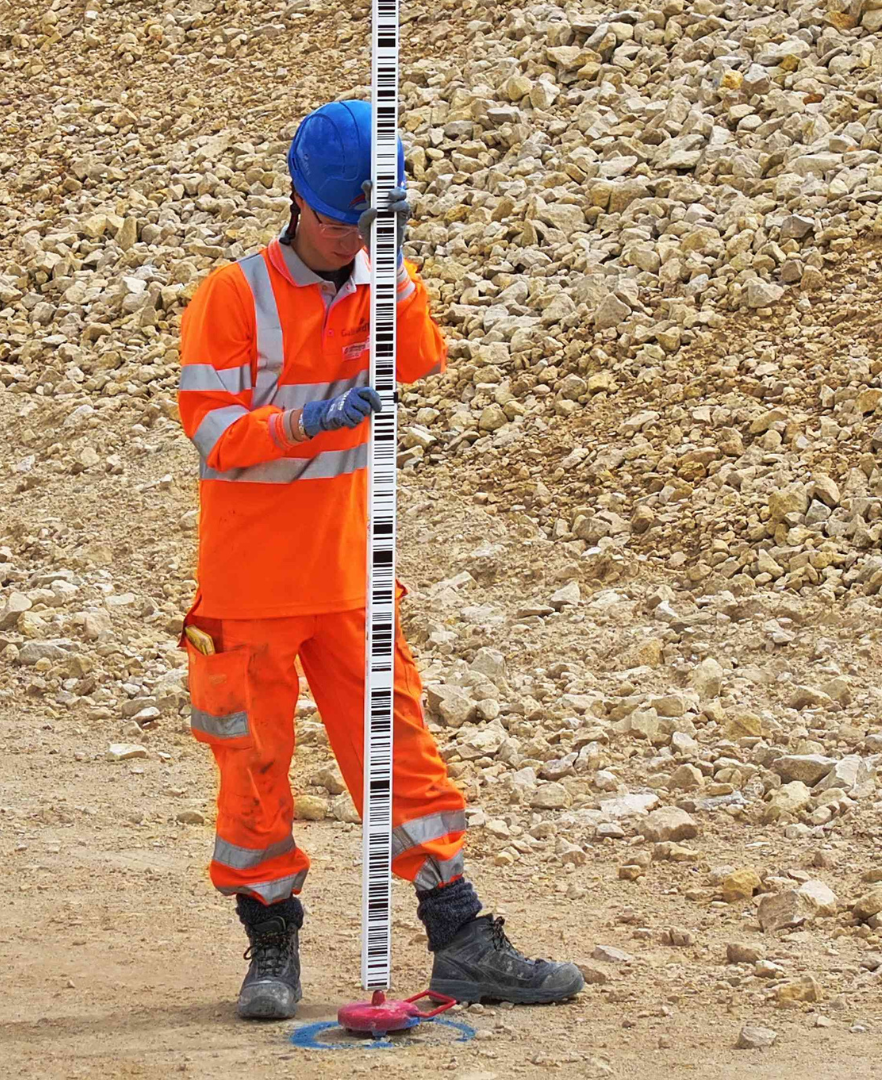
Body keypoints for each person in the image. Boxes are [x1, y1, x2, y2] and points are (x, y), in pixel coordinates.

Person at [176, 98, 583, 1021]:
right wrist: (303, 419)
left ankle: (463, 938)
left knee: (403, 756)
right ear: (294, 200)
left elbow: (424, 358)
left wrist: (395, 265)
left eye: (369, 223)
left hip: (353, 576)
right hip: (251, 591)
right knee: (254, 770)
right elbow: (213, 435)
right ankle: (271, 943)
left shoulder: (382, 278)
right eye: (338, 220)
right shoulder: (232, 296)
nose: (347, 238)